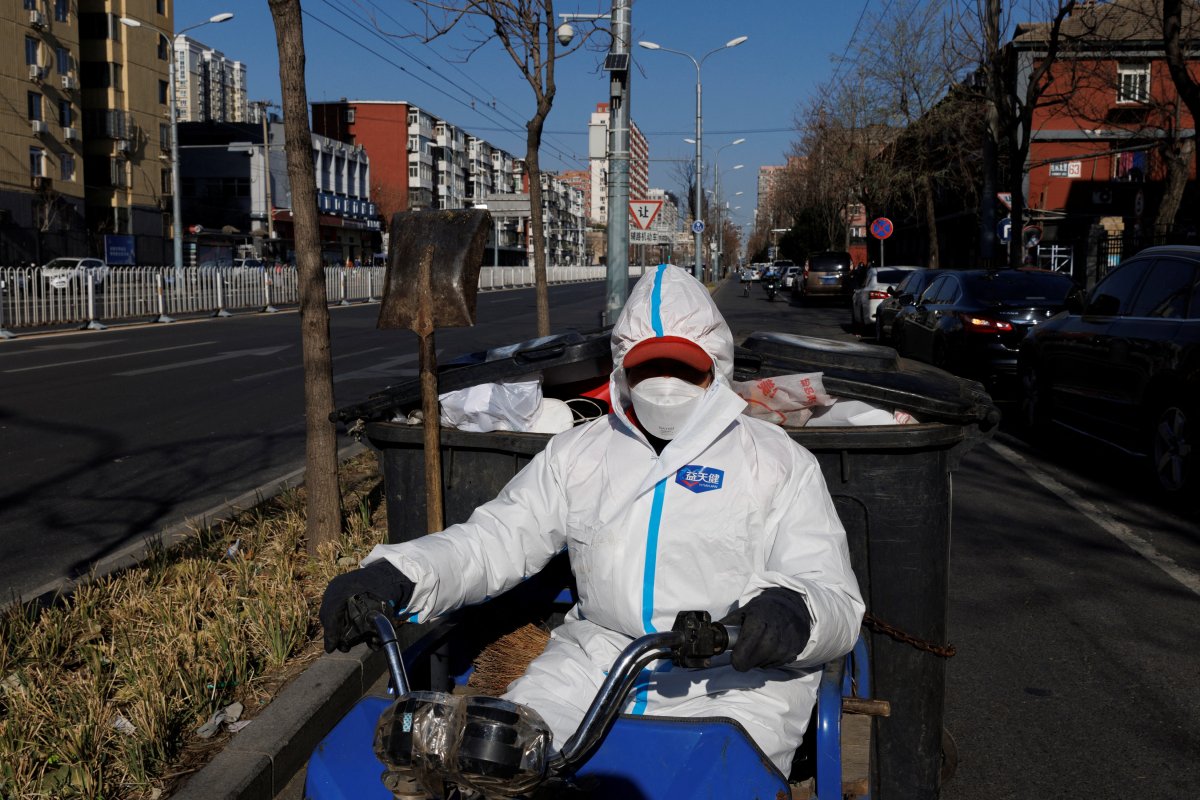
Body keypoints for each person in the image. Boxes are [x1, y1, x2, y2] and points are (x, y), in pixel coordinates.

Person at [320, 264, 864, 776]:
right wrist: (399, 573)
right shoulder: (578, 453)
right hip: (592, 663)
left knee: (711, 783)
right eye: (648, 367)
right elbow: (496, 538)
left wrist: (794, 612)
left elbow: (832, 593)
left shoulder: (776, 461)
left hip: (735, 679)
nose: (664, 383)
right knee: (501, 767)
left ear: (714, 369)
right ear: (623, 370)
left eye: (683, 367)